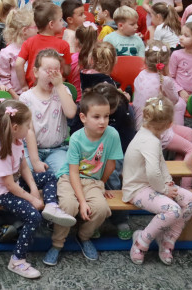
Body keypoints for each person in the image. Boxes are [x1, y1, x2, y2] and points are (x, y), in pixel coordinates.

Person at [0, 100, 74, 279]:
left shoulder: (16, 139)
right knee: (33, 216)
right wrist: (32, 200)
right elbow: (8, 185)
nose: (29, 130)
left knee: (49, 175)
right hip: (1, 193)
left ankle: (51, 206)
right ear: (16, 126)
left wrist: (34, 189)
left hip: (14, 185)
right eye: (28, 125)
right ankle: (17, 260)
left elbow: (24, 166)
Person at [44, 90, 123, 266]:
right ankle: (57, 244)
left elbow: (110, 165)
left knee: (101, 208)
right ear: (83, 117)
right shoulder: (77, 138)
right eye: (96, 117)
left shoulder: (113, 135)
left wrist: (101, 185)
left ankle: (83, 236)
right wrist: (82, 201)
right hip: (69, 178)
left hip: (93, 180)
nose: (102, 121)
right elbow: (73, 172)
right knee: (68, 206)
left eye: (106, 116)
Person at [124, 96, 192, 265]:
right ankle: (141, 241)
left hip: (152, 185)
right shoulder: (149, 141)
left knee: (190, 200)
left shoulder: (152, 136)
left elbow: (161, 165)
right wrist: (165, 190)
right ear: (168, 124)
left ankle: (167, 240)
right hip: (137, 189)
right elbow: (153, 173)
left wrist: (169, 183)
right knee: (173, 210)